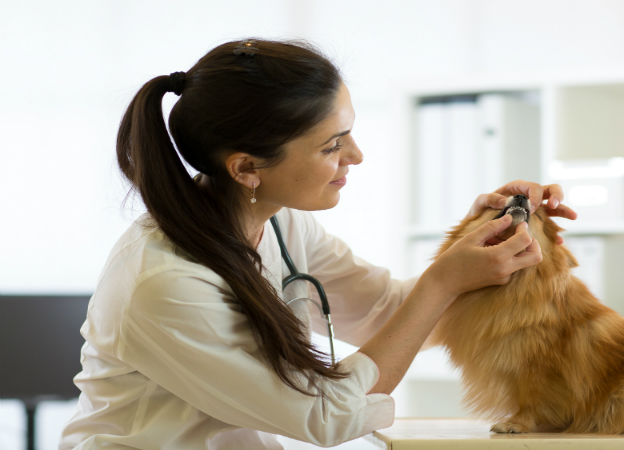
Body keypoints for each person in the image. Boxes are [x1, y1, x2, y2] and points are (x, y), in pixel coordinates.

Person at [59, 39, 576, 450]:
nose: (356, 155)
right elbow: (325, 416)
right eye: (332, 145)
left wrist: (481, 237)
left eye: (349, 133)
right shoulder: (162, 283)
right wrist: (445, 278)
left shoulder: (280, 224)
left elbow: (390, 314)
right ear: (246, 168)